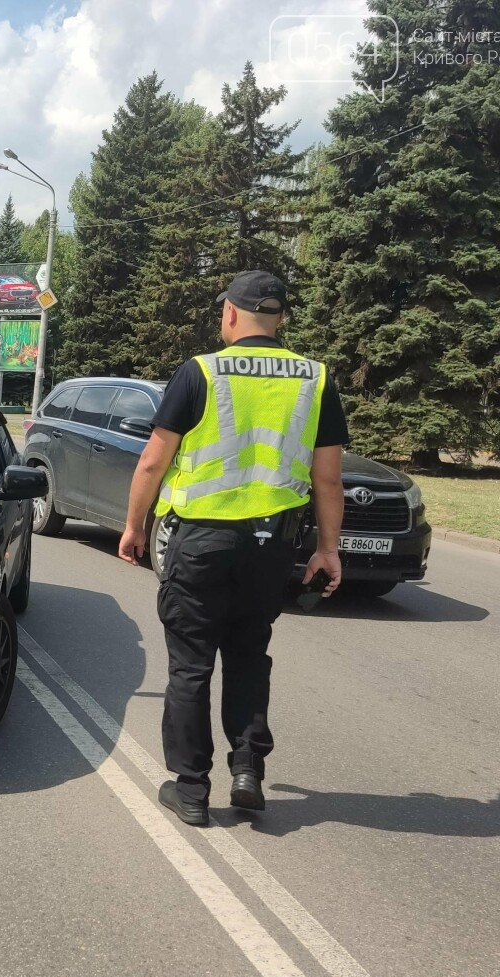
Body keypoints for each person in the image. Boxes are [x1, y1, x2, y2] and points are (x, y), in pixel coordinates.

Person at [118, 270, 348, 827]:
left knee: (191, 666)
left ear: (228, 315)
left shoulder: (201, 371)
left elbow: (153, 459)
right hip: (271, 545)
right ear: (282, 320)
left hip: (202, 542)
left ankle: (192, 788)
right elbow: (328, 480)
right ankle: (247, 768)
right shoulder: (314, 379)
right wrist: (329, 550)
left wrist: (134, 526)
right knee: (248, 657)